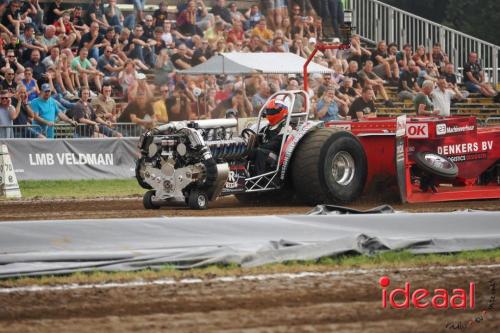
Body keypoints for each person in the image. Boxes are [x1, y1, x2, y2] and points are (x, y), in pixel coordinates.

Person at [250, 98, 288, 175]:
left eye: (272, 111)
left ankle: (259, 179)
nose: (269, 113)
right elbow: (258, 140)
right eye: (268, 111)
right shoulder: (267, 127)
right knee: (248, 152)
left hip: (280, 158)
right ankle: (244, 175)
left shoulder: (287, 126)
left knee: (260, 152)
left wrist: (260, 147)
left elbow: (276, 144)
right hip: (266, 151)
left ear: (281, 111)